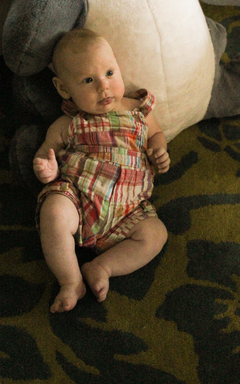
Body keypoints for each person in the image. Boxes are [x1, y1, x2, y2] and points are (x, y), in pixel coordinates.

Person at [33, 28, 170, 313]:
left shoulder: (138, 112)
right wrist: (46, 169)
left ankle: (103, 267)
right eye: (88, 80)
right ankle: (71, 281)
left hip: (129, 212)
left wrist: (159, 149)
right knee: (53, 211)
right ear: (64, 89)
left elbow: (157, 134)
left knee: (156, 234)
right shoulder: (68, 124)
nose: (103, 87)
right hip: (78, 201)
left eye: (109, 73)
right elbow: (47, 153)